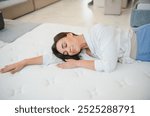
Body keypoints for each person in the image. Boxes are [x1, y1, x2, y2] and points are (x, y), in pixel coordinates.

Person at [0, 24, 150, 74]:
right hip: (142, 55)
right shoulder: (83, 50)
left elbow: (109, 66)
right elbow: (50, 58)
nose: (68, 52)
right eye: (65, 53)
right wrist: (25, 61)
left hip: (143, 39)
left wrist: (77, 64)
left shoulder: (99, 31)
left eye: (65, 45)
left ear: (70, 34)